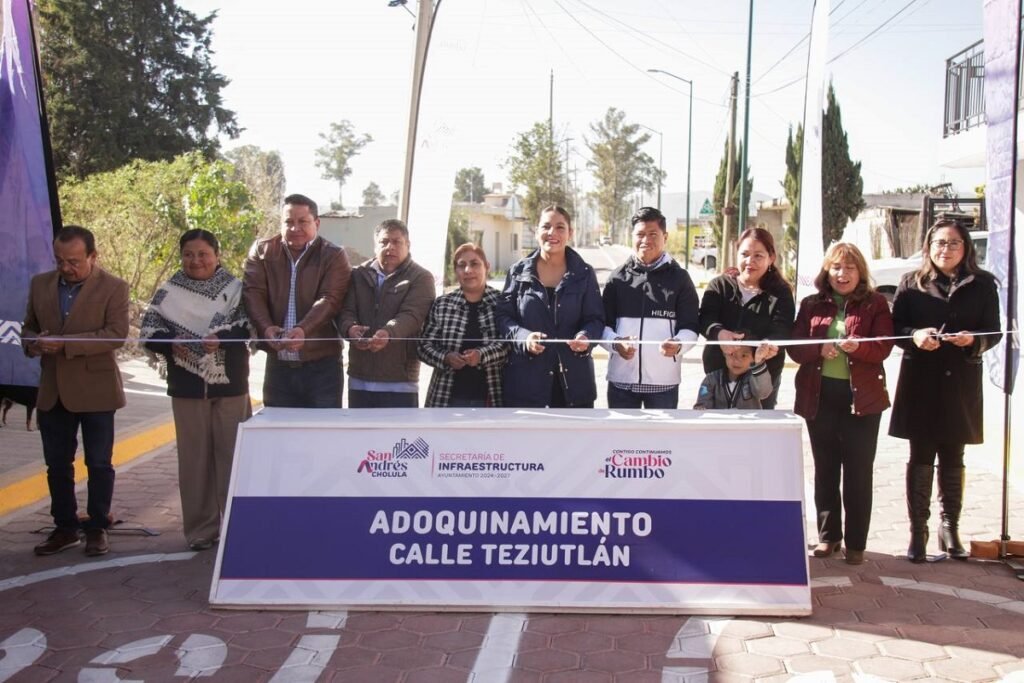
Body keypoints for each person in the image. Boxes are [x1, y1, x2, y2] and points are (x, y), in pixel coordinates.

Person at [889, 219, 1001, 563]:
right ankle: (918, 531)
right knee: (920, 457)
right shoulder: (912, 283)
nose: (946, 249)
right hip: (921, 381)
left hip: (960, 384)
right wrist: (915, 336)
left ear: (965, 247)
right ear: (928, 246)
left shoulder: (982, 285)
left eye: (953, 243)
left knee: (954, 457)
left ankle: (950, 526)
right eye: (939, 243)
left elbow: (994, 331)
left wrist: (974, 340)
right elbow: (895, 329)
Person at [22, 226, 130, 557]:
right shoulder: (40, 284)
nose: (66, 268)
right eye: (59, 261)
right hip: (53, 391)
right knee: (57, 464)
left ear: (93, 257)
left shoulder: (114, 287)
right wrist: (35, 344)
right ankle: (65, 527)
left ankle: (97, 526)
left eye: (74, 261)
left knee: (99, 463)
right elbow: (27, 329)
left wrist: (65, 344)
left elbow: (115, 334)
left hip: (96, 390)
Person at [141, 230, 251, 551]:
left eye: (203, 254)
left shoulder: (235, 290)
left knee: (233, 457)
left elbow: (247, 326)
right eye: (189, 254)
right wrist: (171, 341)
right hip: (187, 386)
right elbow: (149, 330)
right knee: (194, 460)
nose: (196, 261)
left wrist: (221, 338)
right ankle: (201, 530)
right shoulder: (168, 291)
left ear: (217, 255)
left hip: (230, 385)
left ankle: (236, 526)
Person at [789, 243, 894, 566]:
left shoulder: (875, 304)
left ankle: (857, 543)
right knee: (825, 469)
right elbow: (795, 348)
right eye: (836, 267)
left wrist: (857, 348)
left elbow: (883, 347)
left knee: (858, 472)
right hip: (819, 398)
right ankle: (828, 537)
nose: (842, 274)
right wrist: (818, 348)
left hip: (862, 401)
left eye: (849, 268)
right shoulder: (810, 304)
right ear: (826, 271)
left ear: (860, 272)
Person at [243, 193, 351, 408]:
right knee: (280, 435)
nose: (295, 228)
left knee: (322, 435)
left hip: (323, 367)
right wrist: (266, 328)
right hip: (278, 366)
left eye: (303, 221)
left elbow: (330, 299)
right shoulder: (262, 250)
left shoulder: (334, 255)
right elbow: (253, 293)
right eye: (289, 222)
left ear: (317, 223)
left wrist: (303, 330)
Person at [496, 205, 604, 408]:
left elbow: (595, 319)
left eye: (560, 227)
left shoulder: (585, 273)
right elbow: (503, 317)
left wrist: (585, 337)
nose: (552, 233)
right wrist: (523, 338)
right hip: (526, 386)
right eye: (546, 226)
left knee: (574, 441)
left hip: (575, 388)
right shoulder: (517, 272)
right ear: (536, 232)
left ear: (570, 233)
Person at [601, 207, 699, 408]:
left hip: (664, 384)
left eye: (653, 234)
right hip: (621, 382)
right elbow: (601, 325)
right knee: (621, 438)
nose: (646, 240)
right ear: (632, 237)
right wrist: (616, 343)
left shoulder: (680, 279)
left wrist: (678, 344)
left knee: (662, 440)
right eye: (640, 234)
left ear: (665, 236)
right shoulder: (616, 279)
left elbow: (690, 327)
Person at [338, 219, 435, 407]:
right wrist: (349, 329)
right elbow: (345, 311)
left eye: (397, 242)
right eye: (384, 242)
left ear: (408, 245)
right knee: (361, 435)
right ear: (375, 246)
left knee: (400, 437)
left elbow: (412, 315)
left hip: (400, 381)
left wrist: (387, 333)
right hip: (360, 378)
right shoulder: (358, 274)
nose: (390, 247)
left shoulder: (421, 277)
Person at [698, 227, 794, 409]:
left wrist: (768, 346)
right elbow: (705, 319)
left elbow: (782, 328)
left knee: (757, 434)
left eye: (758, 255)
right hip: (718, 375)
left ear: (771, 258)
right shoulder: (719, 285)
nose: (750, 262)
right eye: (745, 254)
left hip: (762, 380)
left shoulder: (781, 292)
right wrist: (719, 334)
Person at [418, 243, 508, 407]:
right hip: (446, 397)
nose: (468, 270)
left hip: (493, 396)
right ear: (455, 271)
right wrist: (445, 358)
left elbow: (509, 344)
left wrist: (481, 355)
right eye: (462, 265)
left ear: (487, 267)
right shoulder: (442, 304)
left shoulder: (502, 302)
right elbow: (424, 346)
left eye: (474, 264)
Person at [693, 342, 773, 409]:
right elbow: (702, 404)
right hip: (720, 425)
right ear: (724, 353)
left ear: (753, 357)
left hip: (747, 425)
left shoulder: (755, 378)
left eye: (744, 355)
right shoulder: (711, 379)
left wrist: (758, 362)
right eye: (731, 354)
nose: (737, 360)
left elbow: (763, 393)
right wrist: (701, 407)